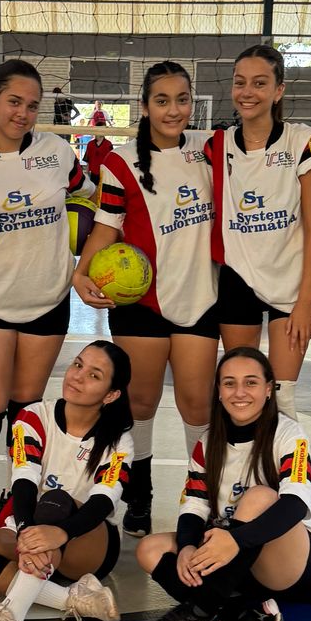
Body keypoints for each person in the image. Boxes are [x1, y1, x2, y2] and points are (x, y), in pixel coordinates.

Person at [0, 60, 94, 537]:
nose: (22, 113)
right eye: (13, 101)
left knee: (25, 409)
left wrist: (89, 262)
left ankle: (16, 496)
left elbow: (91, 199)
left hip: (48, 296)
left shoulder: (57, 152)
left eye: (31, 105)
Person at [73, 61, 218, 539]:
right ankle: (139, 495)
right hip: (142, 304)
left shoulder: (210, 150)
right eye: (162, 100)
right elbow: (106, 227)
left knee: (197, 406)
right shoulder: (121, 162)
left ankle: (201, 497)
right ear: (144, 106)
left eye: (182, 99)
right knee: (140, 402)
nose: (173, 110)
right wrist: (80, 272)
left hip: (200, 297)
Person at [134, 347, 311, 621]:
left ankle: (200, 614)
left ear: (268, 389)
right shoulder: (208, 442)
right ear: (218, 391)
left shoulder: (288, 434)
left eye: (251, 382)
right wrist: (187, 545)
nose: (239, 392)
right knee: (149, 549)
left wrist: (235, 540)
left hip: (291, 564)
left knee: (260, 497)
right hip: (238, 562)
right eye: (229, 383)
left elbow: (296, 503)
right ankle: (239, 617)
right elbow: (194, 505)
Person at [0, 341, 134, 621]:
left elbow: (103, 501)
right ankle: (72, 600)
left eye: (94, 375)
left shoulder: (119, 439)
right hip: (30, 525)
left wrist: (60, 533)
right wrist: (25, 531)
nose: (78, 376)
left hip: (88, 541)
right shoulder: (34, 416)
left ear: (111, 394)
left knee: (55, 501)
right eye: (77, 365)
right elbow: (23, 480)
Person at [206, 43, 311, 423]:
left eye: (259, 83)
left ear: (278, 90)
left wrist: (305, 301)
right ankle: (239, 462)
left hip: (290, 284)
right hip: (237, 278)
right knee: (241, 393)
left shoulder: (301, 140)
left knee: (282, 397)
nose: (247, 92)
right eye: (240, 82)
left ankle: (284, 464)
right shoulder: (217, 144)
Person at [84, 105, 115, 182]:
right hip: (93, 173)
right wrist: (87, 174)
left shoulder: (108, 144)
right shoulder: (90, 144)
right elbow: (88, 160)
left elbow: (111, 161)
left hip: (105, 174)